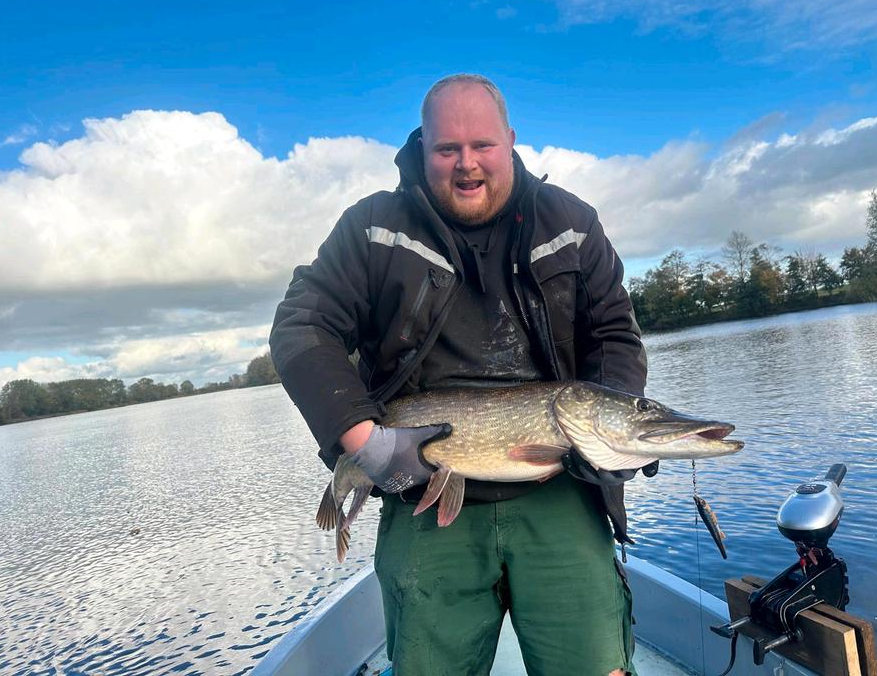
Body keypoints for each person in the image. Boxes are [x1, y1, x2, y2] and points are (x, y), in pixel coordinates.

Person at [270, 74, 653, 676]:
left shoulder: (571, 223)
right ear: (423, 148)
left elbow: (612, 335)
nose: (466, 164)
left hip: (560, 490)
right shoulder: (373, 229)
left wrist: (612, 431)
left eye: (483, 145)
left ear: (511, 141)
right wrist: (366, 441)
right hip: (423, 495)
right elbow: (301, 327)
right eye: (448, 148)